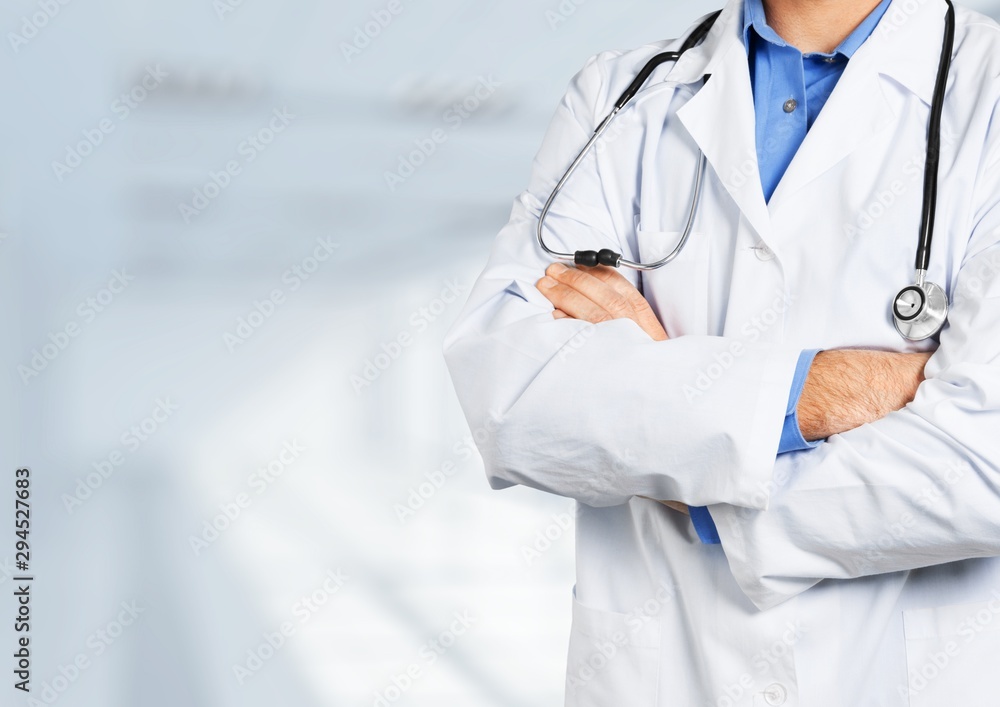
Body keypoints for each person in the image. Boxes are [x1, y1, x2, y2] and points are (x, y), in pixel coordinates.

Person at [444, 0, 1000, 704]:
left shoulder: (987, 97)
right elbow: (510, 400)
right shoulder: (620, 97)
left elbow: (984, 462)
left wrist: (687, 469)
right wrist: (816, 391)